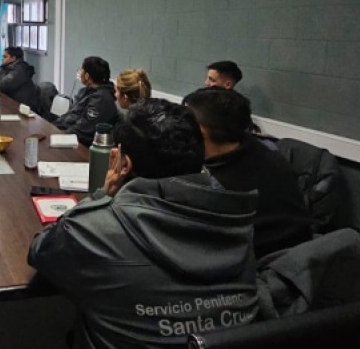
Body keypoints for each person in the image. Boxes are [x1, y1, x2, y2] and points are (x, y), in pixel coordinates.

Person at [29, 99, 259, 349]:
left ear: (123, 164)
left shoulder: (92, 229)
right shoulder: (237, 220)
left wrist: (100, 196)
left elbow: (41, 250)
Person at [183, 87, 313, 258]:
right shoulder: (262, 150)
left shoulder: (219, 189)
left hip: (259, 265)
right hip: (298, 257)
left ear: (201, 133)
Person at [53, 56, 119, 146]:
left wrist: (56, 136)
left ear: (87, 76)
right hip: (66, 134)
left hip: (80, 146)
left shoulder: (100, 100)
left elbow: (82, 131)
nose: (79, 73)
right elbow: (70, 116)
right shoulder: (87, 91)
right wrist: (53, 127)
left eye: (81, 70)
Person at [0, 46, 41, 114]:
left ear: (13, 58)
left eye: (5, 57)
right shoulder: (6, 66)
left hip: (23, 106)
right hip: (11, 101)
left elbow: (3, 85)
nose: (2, 59)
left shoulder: (19, 69)